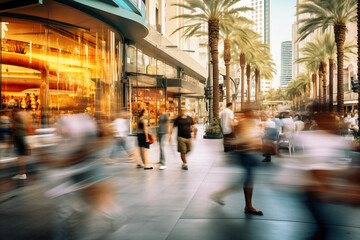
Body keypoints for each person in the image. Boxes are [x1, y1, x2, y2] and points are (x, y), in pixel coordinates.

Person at [212, 108, 263, 215]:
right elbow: (243, 139)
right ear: (247, 113)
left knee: (247, 180)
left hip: (250, 153)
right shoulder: (243, 123)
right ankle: (246, 205)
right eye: (252, 111)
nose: (255, 112)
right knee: (245, 180)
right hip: (245, 154)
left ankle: (247, 205)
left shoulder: (252, 122)